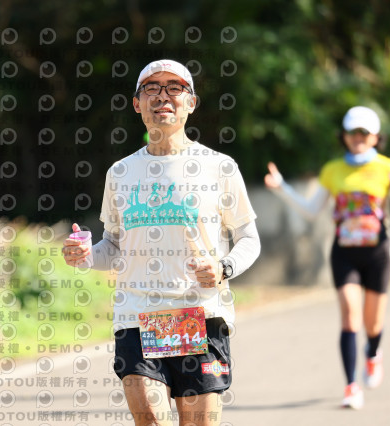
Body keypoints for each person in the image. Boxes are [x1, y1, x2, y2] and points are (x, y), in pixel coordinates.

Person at [62, 59, 261, 425]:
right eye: (151, 88)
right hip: (138, 315)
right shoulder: (120, 173)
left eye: (175, 88)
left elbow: (249, 238)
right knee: (152, 420)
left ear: (191, 103)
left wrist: (223, 268)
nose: (162, 96)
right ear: (137, 104)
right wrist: (87, 255)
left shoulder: (219, 167)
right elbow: (113, 247)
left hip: (199, 314)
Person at [264, 106, 390, 409]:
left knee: (373, 324)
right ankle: (351, 387)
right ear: (343, 136)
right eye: (352, 132)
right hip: (344, 253)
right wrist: (282, 189)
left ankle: (373, 353)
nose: (357, 138)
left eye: (363, 133)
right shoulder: (332, 170)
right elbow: (311, 210)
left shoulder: (388, 168)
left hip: (377, 253)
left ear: (375, 137)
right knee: (349, 316)